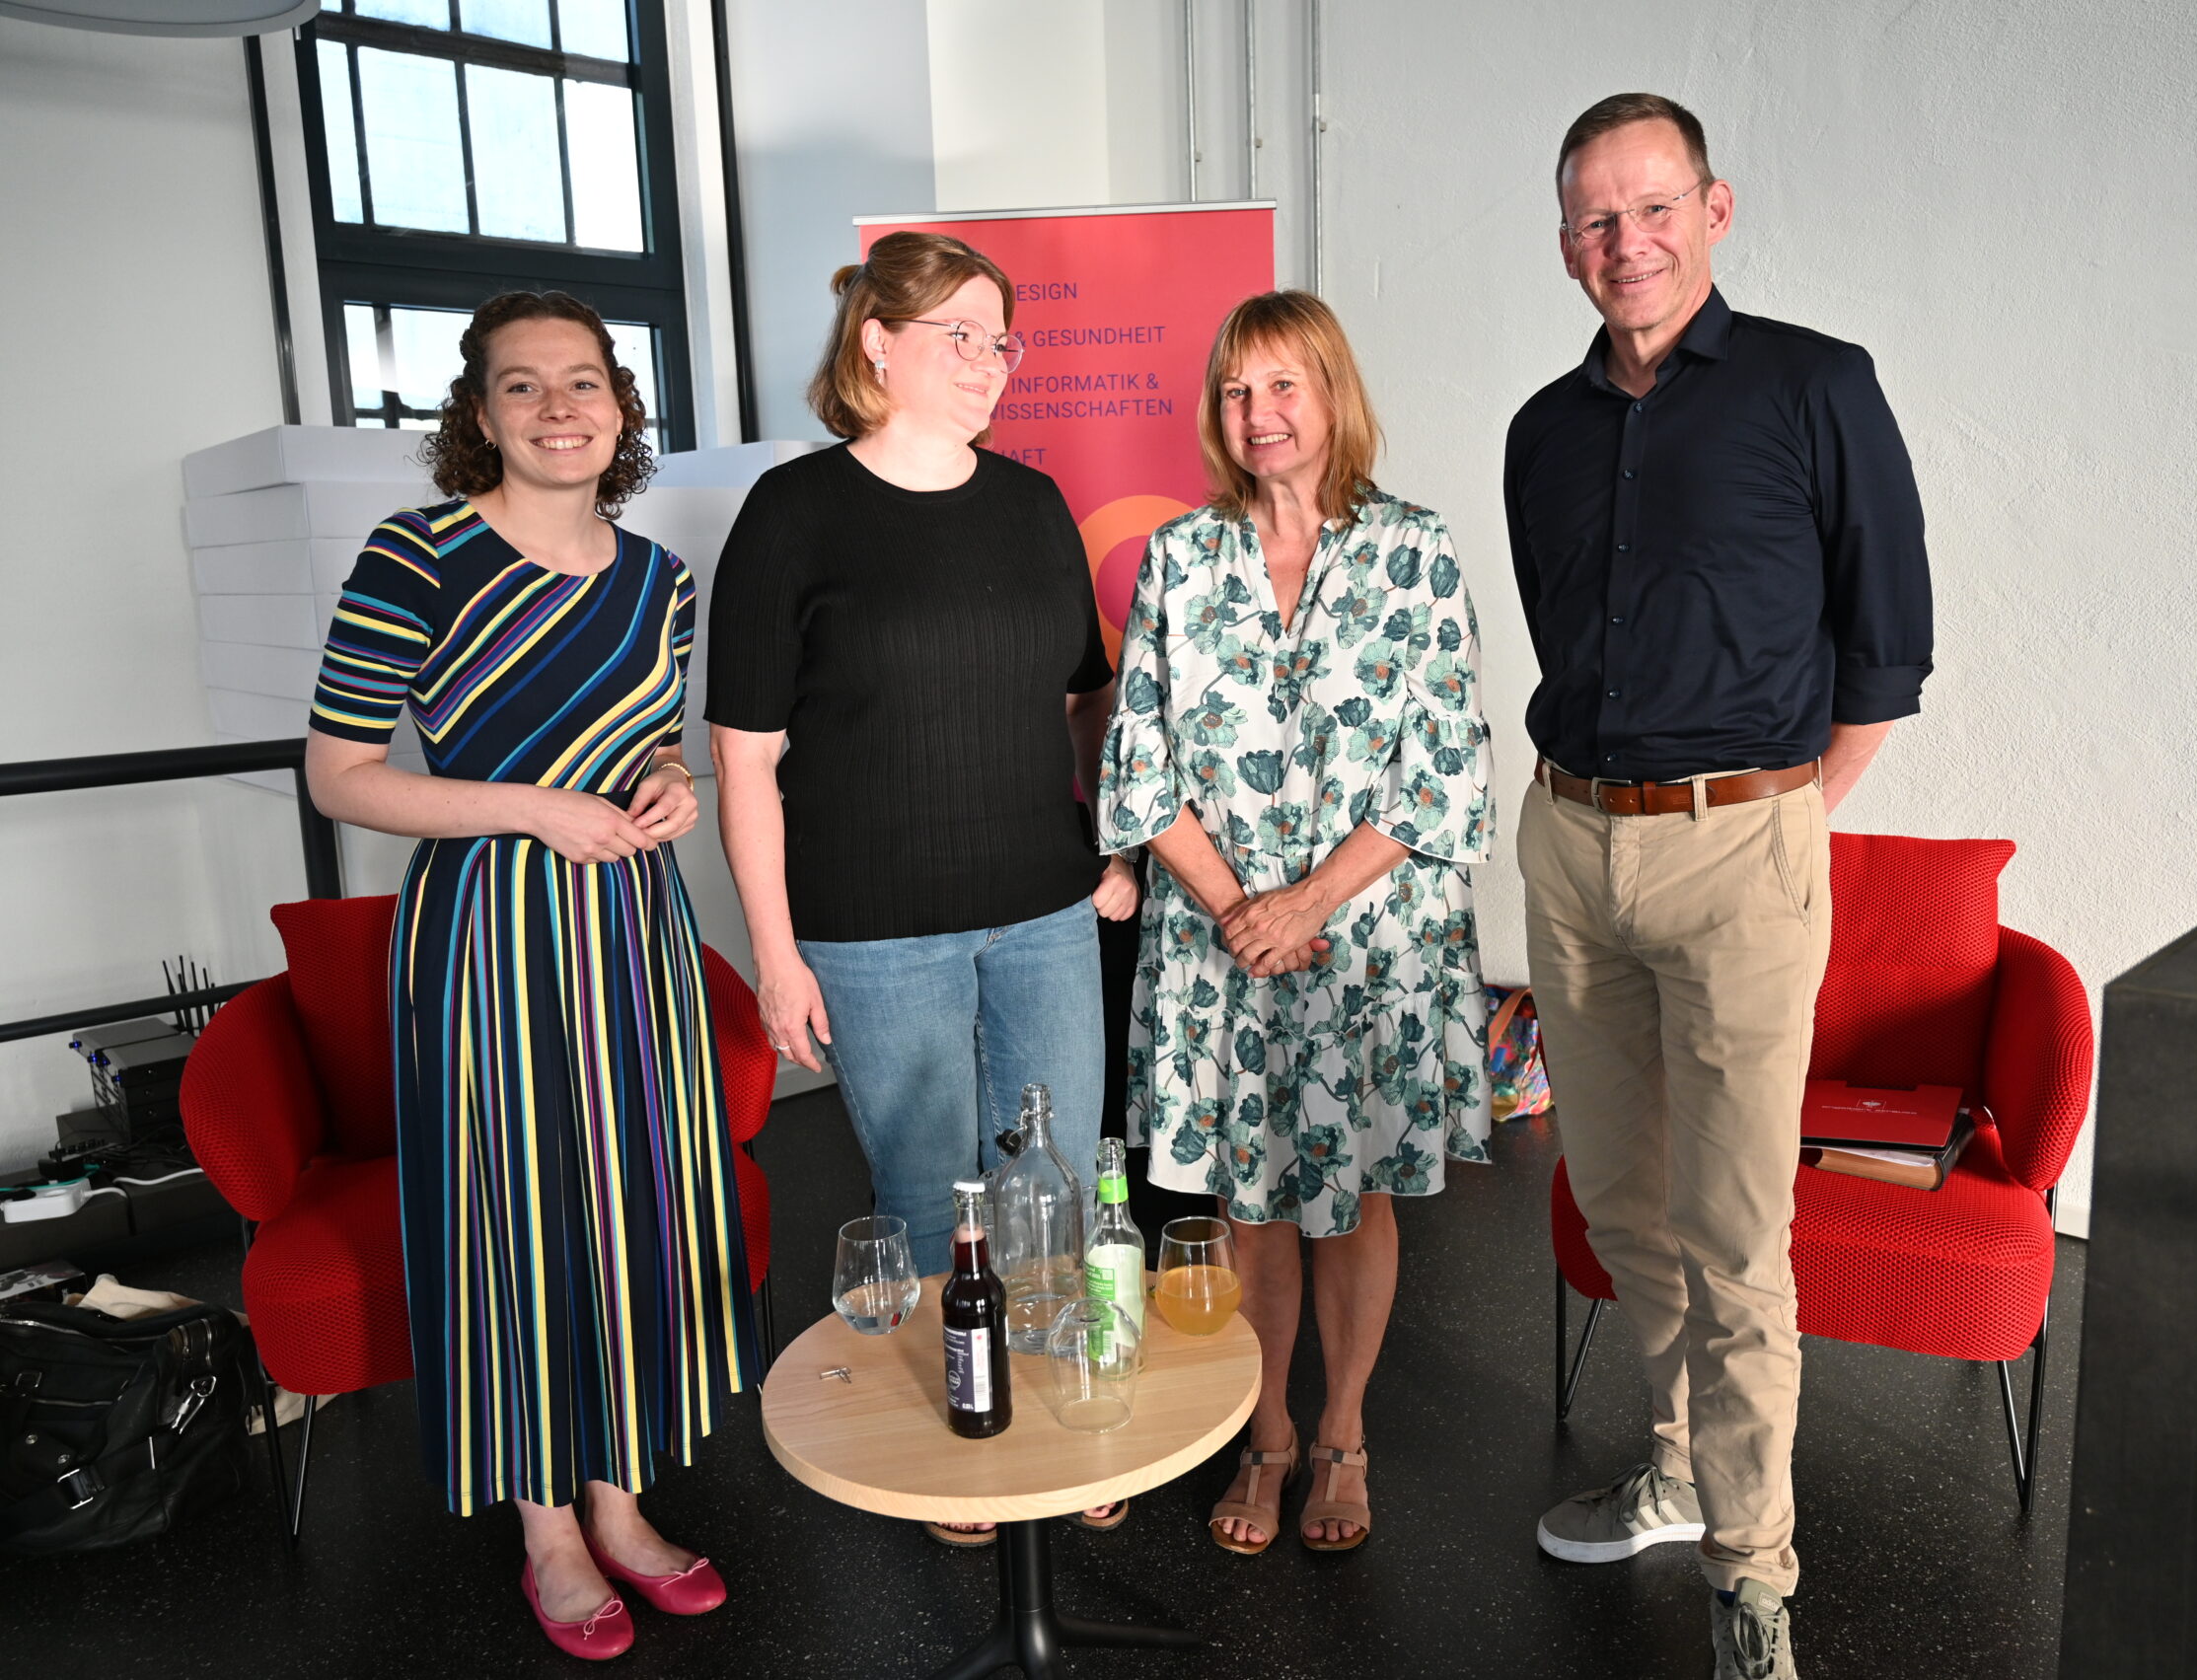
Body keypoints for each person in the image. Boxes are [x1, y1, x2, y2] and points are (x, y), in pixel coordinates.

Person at [1510, 94, 1935, 1677]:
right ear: (1567, 245)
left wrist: (1778, 815)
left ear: (1716, 207)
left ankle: (1754, 1573)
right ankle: (1683, 1460)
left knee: (1737, 1231)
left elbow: (1887, 642)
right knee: (1624, 1199)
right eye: (1595, 220)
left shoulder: (1819, 386)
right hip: (1571, 845)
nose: (1626, 242)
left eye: (1652, 207)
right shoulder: (1543, 432)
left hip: (1744, 847)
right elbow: (1571, 636)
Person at [304, 292, 758, 1661]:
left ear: (620, 408)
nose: (558, 408)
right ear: (479, 414)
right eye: (522, 386)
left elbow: (652, 747)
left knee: (631, 1209)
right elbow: (339, 776)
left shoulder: (660, 580)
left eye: (583, 382)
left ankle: (622, 1500)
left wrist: (670, 784)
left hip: (633, 932)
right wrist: (528, 807)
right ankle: (546, 1526)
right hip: (487, 939)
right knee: (514, 1213)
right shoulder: (416, 557)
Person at [706, 232, 1136, 1544]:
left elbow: (1082, 700)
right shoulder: (794, 512)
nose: (989, 363)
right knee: (930, 1184)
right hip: (872, 927)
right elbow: (744, 761)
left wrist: (1112, 843)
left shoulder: (1029, 505)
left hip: (1046, 907)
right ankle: (969, 1414)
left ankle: (1073, 1397)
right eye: (960, 333)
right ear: (875, 343)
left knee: (1054, 1177)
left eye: (1001, 338)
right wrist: (775, 954)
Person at [1100, 291, 1494, 1555]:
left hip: (1367, 939)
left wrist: (1309, 901)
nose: (1259, 414)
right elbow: (1137, 764)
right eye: (1235, 391)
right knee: (1253, 1198)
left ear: (1331, 396)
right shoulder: (1177, 556)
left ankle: (1344, 1435)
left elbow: (1442, 767)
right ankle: (1266, 1433)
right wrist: (1238, 909)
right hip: (1223, 940)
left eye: (1283, 386)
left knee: (1357, 1189)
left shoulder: (1415, 551)